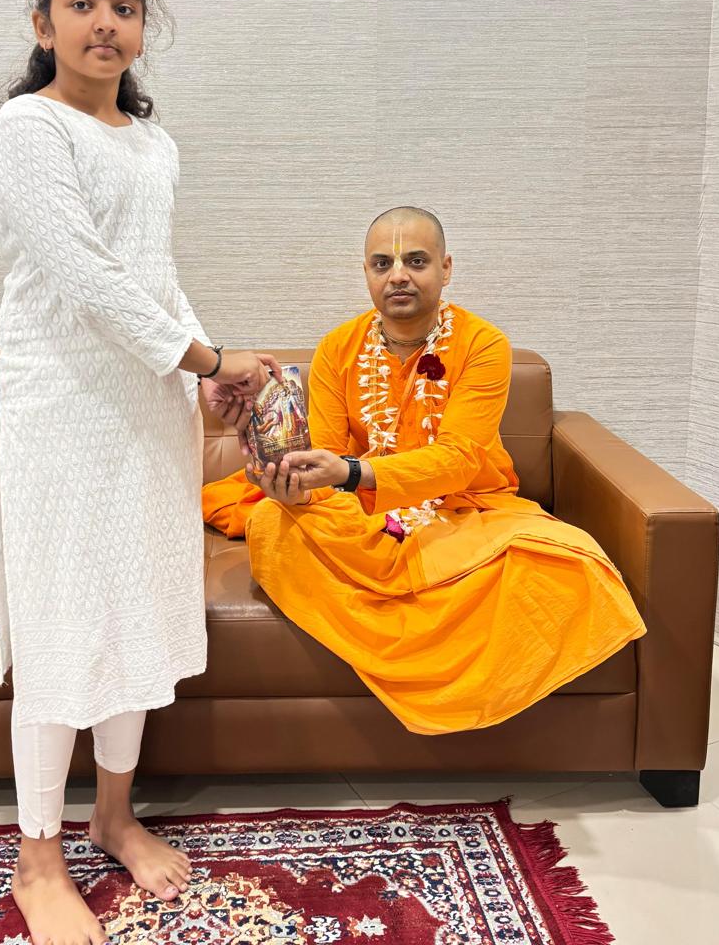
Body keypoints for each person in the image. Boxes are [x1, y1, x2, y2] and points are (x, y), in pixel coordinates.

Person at [0, 0, 278, 945]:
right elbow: (88, 279)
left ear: (144, 25)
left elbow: (153, 275)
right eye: (82, 2)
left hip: (148, 412)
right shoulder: (27, 127)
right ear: (43, 22)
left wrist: (205, 372)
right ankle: (37, 858)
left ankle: (112, 814)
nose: (105, 22)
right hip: (62, 416)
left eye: (125, 5)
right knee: (63, 623)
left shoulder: (154, 143)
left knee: (136, 609)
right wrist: (207, 355)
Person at [204, 207, 646, 735]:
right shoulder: (338, 348)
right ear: (366, 273)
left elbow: (460, 458)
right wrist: (292, 485)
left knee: (564, 568)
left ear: (446, 268)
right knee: (272, 525)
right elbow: (325, 454)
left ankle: (437, 678)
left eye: (415, 261)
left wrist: (350, 473)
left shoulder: (483, 344)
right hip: (361, 511)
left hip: (465, 507)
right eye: (382, 263)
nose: (398, 275)